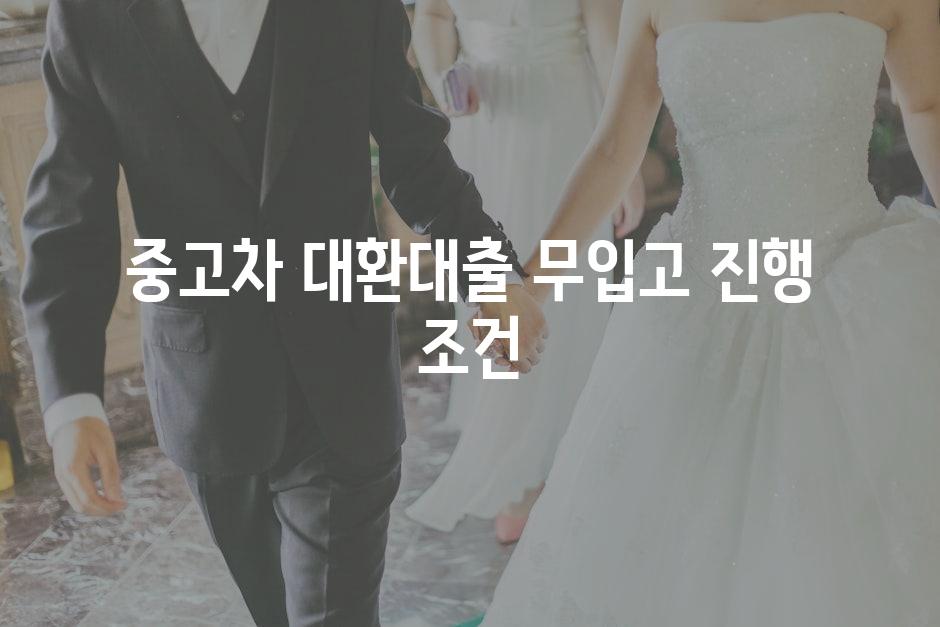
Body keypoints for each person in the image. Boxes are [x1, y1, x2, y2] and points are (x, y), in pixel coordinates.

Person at [19, 0, 547, 625]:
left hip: (345, 376)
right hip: (205, 388)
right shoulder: (90, 16)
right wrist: (71, 402)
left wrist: (489, 274)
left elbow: (415, 155)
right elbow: (71, 219)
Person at [481, 0, 940, 624]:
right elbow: (615, 146)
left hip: (847, 294)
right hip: (695, 303)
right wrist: (530, 288)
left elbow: (926, 106)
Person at [405, 0, 645, 544]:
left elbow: (608, 47)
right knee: (489, 279)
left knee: (567, 284)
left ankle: (561, 456)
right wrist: (445, 79)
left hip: (563, 121)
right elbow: (434, 16)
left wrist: (625, 166)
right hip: (483, 125)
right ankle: (511, 458)